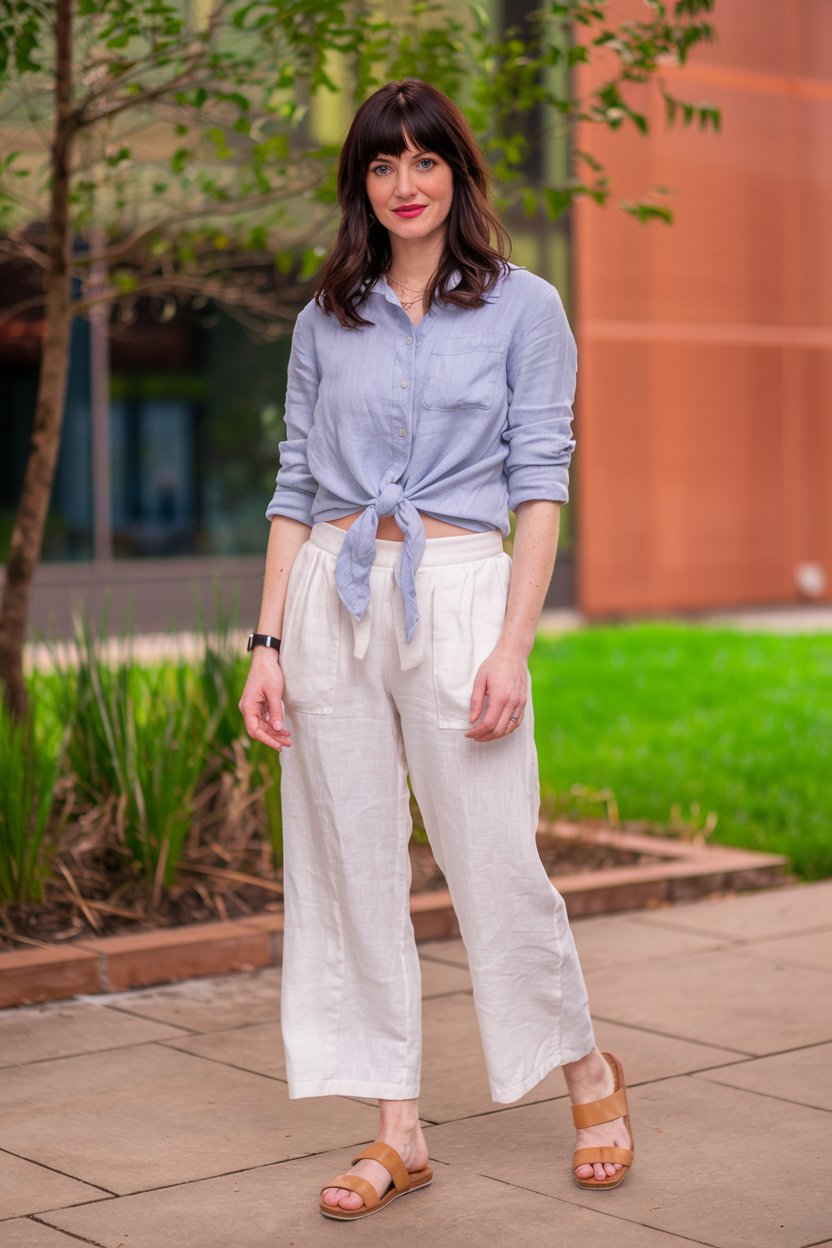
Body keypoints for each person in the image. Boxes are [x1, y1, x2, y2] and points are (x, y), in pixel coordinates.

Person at [239, 77, 635, 1222]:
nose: (403, 185)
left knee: (497, 862)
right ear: (358, 183)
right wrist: (267, 642)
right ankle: (395, 1131)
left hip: (460, 594)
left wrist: (512, 648)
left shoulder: (526, 308)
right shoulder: (328, 317)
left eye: (423, 162)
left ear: (456, 173)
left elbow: (540, 486)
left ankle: (588, 1074)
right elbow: (295, 488)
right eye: (380, 164)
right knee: (346, 868)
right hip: (330, 598)